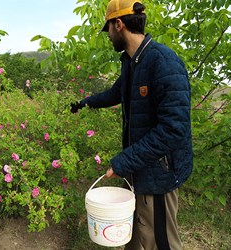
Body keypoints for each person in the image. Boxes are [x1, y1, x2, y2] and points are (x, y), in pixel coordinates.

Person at [71, 0, 193, 249]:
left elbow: (173, 129)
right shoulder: (133, 61)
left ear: (119, 24)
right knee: (133, 239)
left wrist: (124, 161)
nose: (108, 36)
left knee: (161, 242)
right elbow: (117, 92)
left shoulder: (163, 62)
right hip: (141, 170)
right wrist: (85, 103)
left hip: (159, 174)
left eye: (108, 30)